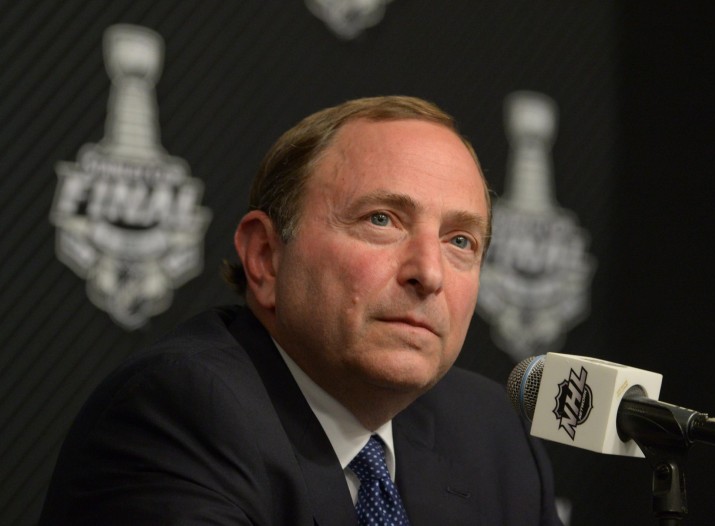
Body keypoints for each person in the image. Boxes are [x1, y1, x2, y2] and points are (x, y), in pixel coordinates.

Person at [39, 96, 563, 525]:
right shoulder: (181, 412)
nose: (429, 273)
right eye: (381, 220)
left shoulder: (490, 432)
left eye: (461, 241)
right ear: (266, 257)